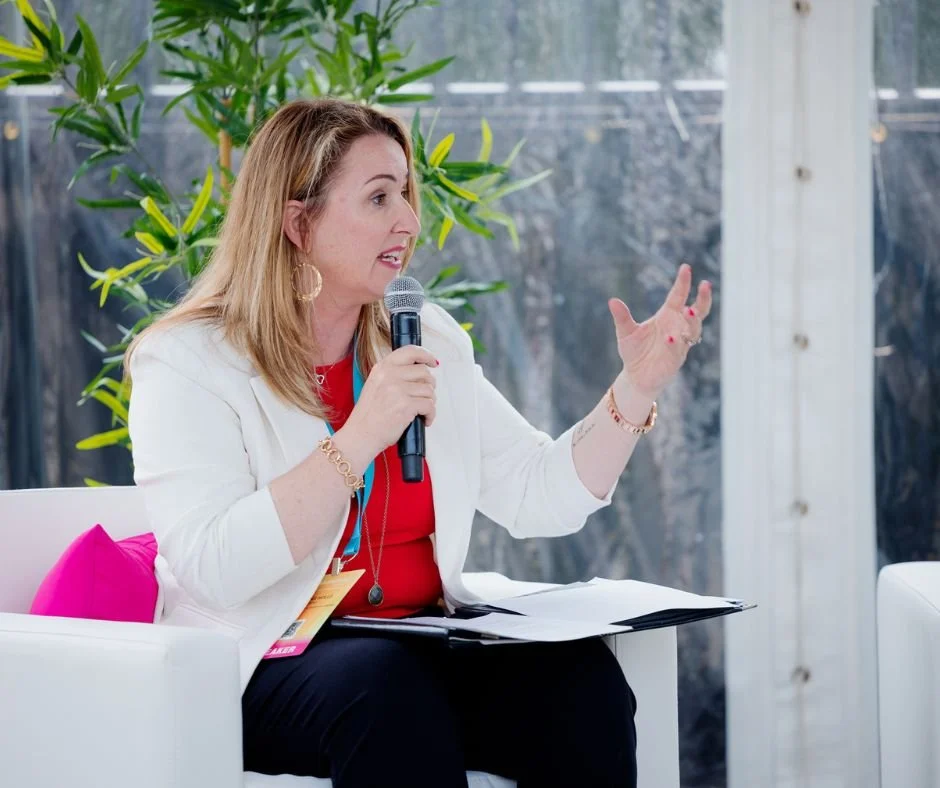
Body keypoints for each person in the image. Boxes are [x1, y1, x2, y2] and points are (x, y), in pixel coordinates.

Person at [126, 97, 711, 788]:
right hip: (263, 657)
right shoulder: (191, 361)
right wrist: (361, 436)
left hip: (415, 642)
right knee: (384, 689)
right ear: (297, 222)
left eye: (404, 193)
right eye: (378, 198)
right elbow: (212, 566)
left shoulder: (426, 338)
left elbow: (536, 494)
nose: (408, 220)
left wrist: (634, 389)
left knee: (582, 684)